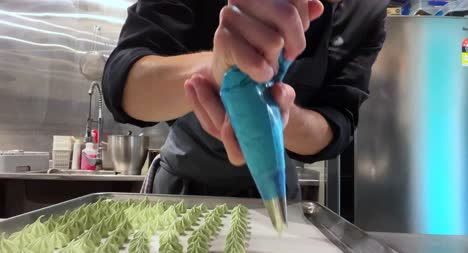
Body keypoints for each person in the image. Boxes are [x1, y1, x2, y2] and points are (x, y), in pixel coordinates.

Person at [103, 0, 388, 201]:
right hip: (181, 189)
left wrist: (277, 115)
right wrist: (218, 71)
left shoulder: (367, 10)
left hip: (276, 196)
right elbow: (125, 84)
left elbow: (337, 124)